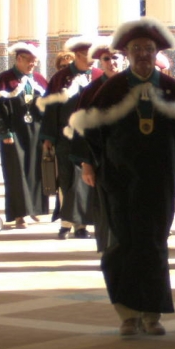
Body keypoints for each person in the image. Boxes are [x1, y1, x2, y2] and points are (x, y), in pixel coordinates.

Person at [68, 18, 175, 337]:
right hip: (118, 180)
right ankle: (127, 314)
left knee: (154, 243)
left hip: (159, 182)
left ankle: (152, 314)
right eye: (136, 49)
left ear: (156, 52)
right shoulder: (111, 88)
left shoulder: (171, 89)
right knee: (123, 243)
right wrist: (89, 164)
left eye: (148, 48)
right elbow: (88, 131)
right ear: (126, 53)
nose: (143, 54)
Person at [38, 36, 101, 239]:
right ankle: (66, 223)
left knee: (86, 182)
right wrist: (48, 137)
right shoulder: (61, 78)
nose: (93, 61)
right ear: (78, 56)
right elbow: (50, 108)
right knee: (66, 179)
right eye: (89, 56)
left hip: (90, 138)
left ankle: (81, 224)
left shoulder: (98, 76)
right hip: (65, 138)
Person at [0, 42, 49, 228]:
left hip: (36, 132)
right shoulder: (5, 79)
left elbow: (47, 106)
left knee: (35, 171)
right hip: (14, 134)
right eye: (29, 61)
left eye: (35, 62)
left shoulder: (38, 79)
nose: (32, 65)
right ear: (19, 59)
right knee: (16, 173)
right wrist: (4, 133)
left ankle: (35, 209)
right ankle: (20, 214)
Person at [69, 38, 125, 255]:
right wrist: (86, 164)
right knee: (105, 206)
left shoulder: (134, 86)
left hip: (130, 159)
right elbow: (81, 129)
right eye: (106, 59)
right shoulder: (92, 91)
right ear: (100, 63)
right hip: (102, 160)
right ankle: (107, 248)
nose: (112, 62)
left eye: (115, 58)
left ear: (123, 59)